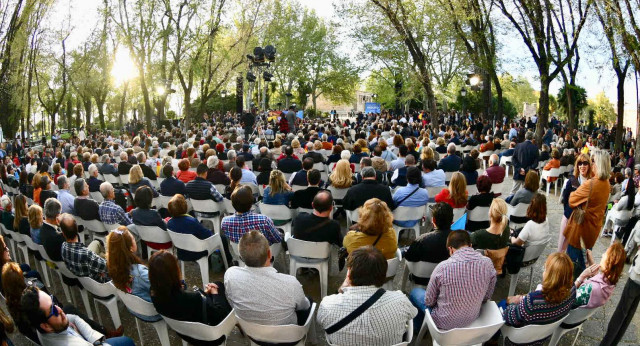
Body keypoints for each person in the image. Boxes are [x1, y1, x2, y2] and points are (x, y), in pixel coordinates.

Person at [317, 246, 417, 346]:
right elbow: (413, 313)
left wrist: (343, 287)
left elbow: (321, 322)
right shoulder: (400, 301)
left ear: (349, 274)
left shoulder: (327, 305)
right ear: (383, 275)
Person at [409, 231, 496, 331]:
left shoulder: (442, 267)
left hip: (443, 323)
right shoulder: (488, 263)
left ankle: (418, 329)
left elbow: (429, 301)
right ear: (470, 245)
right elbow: (487, 297)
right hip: (472, 318)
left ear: (450, 249)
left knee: (414, 292)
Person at [224, 231, 310, 325]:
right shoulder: (291, 283)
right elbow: (304, 306)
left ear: (241, 258)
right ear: (269, 254)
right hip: (286, 336)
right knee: (309, 301)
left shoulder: (231, 274)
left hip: (250, 332)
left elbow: (231, 301)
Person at [20, 286, 134, 346]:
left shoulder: (43, 328)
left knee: (126, 341)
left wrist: (96, 340)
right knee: (128, 342)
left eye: (53, 302)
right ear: (46, 326)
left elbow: (73, 317)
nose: (59, 309)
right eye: (53, 310)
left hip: (93, 342)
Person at [502, 253, 576, 342]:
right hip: (544, 335)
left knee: (502, 304)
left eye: (545, 269)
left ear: (550, 276)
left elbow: (509, 317)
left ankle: (492, 339)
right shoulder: (572, 290)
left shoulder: (533, 301)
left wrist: (514, 303)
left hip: (521, 340)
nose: (543, 272)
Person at [564, 150, 611, 278]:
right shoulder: (606, 183)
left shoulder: (592, 183)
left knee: (574, 266)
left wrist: (577, 193)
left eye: (593, 161)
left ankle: (572, 292)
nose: (591, 164)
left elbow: (571, 199)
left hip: (580, 229)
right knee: (583, 258)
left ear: (599, 164)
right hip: (593, 229)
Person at [106, 226, 160, 322]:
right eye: (133, 239)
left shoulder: (112, 266)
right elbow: (161, 289)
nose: (135, 240)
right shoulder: (140, 273)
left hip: (133, 308)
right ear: (131, 248)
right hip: (151, 312)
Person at [601, 228, 640, 346]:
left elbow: (635, 234)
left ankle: (606, 343)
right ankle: (613, 342)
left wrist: (627, 251)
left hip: (637, 276)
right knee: (629, 313)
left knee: (621, 313)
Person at [403, 202, 453, 285]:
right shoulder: (458, 241)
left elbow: (409, 257)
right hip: (446, 278)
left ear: (433, 220)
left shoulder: (422, 240)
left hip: (421, 279)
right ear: (451, 221)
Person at [60, 214, 109, 283]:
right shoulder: (86, 254)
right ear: (77, 229)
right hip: (97, 281)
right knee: (103, 254)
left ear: (63, 233)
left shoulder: (63, 246)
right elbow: (108, 267)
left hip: (82, 276)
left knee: (96, 244)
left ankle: (103, 255)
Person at [574, 243, 625, 309]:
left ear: (609, 261)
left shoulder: (589, 289)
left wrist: (581, 277)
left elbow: (567, 300)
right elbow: (600, 283)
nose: (602, 255)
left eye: (605, 254)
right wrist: (591, 262)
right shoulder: (610, 284)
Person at [558, 154, 592, 251]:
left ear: (589, 165)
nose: (582, 166)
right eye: (580, 163)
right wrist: (569, 212)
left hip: (582, 222)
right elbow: (565, 199)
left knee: (574, 249)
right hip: (569, 218)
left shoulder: (591, 183)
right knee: (561, 246)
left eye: (585, 163)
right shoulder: (572, 181)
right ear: (577, 166)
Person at [131, 186, 171, 253]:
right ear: (149, 199)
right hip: (164, 242)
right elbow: (165, 228)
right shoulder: (154, 213)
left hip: (148, 242)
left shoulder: (134, 213)